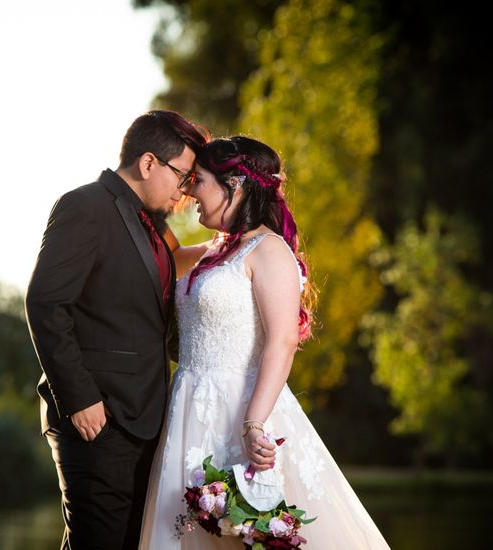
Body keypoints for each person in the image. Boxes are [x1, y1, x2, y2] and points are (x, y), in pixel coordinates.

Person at [138, 136, 390, 548]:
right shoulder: (209, 252)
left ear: (235, 185)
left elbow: (283, 340)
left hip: (242, 412)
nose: (188, 191)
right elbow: (154, 258)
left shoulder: (268, 250)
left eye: (197, 180)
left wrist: (253, 423)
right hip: (187, 412)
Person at [25, 110, 208, 549]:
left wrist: (249, 243)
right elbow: (46, 304)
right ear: (148, 164)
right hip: (95, 418)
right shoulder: (85, 206)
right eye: (182, 176)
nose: (185, 193)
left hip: (146, 419)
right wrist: (80, 398)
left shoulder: (158, 231)